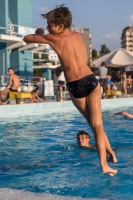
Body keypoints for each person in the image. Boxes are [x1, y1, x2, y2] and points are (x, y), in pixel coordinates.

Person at [23, 4, 117, 175]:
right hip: (90, 80)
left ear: (60, 26)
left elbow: (26, 39)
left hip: (75, 85)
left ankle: (105, 163)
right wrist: (62, 66)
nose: (48, 27)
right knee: (98, 125)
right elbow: (83, 59)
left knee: (93, 124)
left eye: (50, 24)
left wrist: (39, 33)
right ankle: (109, 157)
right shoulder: (78, 36)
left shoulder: (52, 38)